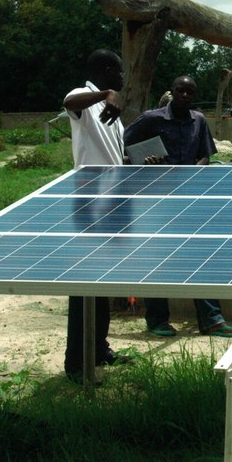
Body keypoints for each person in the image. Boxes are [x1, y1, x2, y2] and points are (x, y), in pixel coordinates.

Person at [124, 75, 232, 338]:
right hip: (155, 197)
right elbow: (124, 145)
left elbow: (205, 155)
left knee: (199, 257)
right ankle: (156, 320)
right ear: (173, 91)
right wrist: (144, 160)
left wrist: (193, 172)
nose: (185, 95)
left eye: (190, 91)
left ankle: (211, 319)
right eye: (181, 90)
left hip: (189, 198)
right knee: (157, 258)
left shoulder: (198, 120)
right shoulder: (152, 118)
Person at [62, 49, 131, 384]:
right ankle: (76, 362)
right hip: (88, 202)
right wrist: (105, 93)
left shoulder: (112, 112)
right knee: (84, 283)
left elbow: (115, 157)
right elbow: (68, 102)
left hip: (112, 201)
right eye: (118, 72)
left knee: (102, 281)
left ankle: (99, 347)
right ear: (105, 72)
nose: (122, 78)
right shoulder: (85, 98)